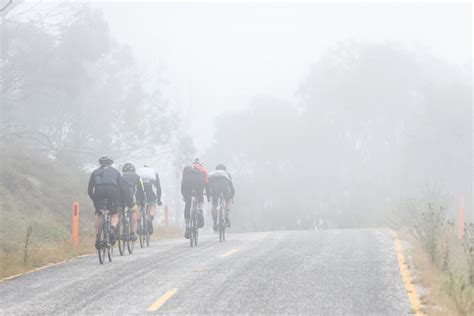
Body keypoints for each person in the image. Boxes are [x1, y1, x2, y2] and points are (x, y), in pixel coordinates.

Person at [88, 156, 122, 250]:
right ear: (110, 163)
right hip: (112, 190)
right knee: (114, 214)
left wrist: (95, 202)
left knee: (100, 214)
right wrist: (119, 201)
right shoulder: (115, 172)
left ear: (100, 164)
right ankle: (111, 229)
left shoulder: (95, 172)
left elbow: (90, 190)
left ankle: (98, 239)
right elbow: (121, 188)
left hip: (99, 190)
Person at [181, 158, 210, 239]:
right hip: (198, 181)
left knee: (187, 204)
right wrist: (208, 196)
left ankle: (187, 227)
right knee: (200, 196)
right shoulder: (203, 169)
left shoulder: (186, 168)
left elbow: (182, 182)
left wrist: (184, 195)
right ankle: (200, 210)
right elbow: (207, 184)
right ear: (200, 164)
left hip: (187, 182)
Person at [120, 162, 146, 241]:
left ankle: (117, 229)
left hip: (120, 195)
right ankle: (133, 233)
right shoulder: (137, 177)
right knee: (133, 210)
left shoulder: (121, 176)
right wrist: (142, 200)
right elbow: (141, 189)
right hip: (131, 195)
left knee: (119, 210)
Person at [136, 164, 162, 234]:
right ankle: (149, 219)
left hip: (140, 186)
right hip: (150, 185)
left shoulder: (138, 171)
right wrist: (159, 199)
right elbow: (158, 187)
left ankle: (138, 226)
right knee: (152, 204)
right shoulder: (153, 171)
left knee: (139, 205)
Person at [209, 164, 235, 231]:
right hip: (223, 184)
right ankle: (226, 215)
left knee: (214, 204)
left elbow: (207, 184)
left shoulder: (212, 173)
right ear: (224, 169)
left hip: (213, 184)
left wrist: (209, 194)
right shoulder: (226, 173)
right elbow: (231, 186)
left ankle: (215, 223)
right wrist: (231, 196)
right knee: (228, 200)